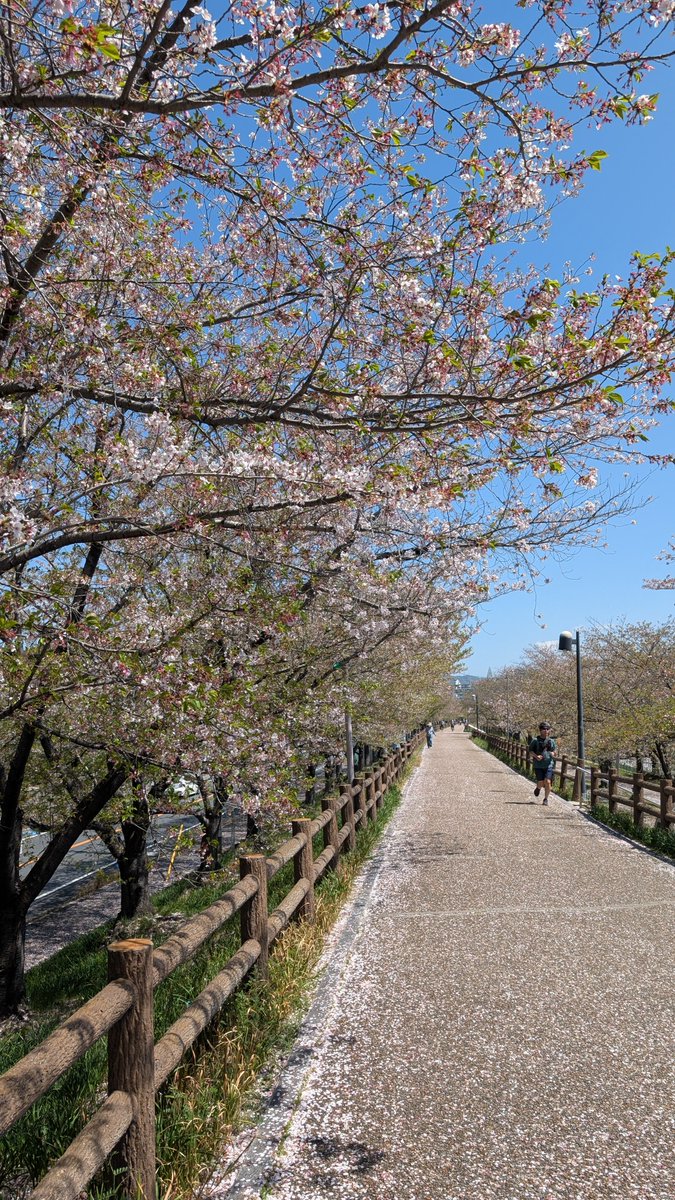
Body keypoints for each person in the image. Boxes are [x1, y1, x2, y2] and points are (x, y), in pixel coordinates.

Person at [529, 722, 557, 805]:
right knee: (540, 782)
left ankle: (546, 799)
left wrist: (553, 753)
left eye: (547, 729)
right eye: (544, 729)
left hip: (549, 764)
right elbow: (530, 751)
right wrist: (536, 756)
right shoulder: (535, 740)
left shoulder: (551, 741)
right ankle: (538, 787)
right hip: (538, 765)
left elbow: (555, 751)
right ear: (540, 730)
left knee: (548, 782)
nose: (546, 731)